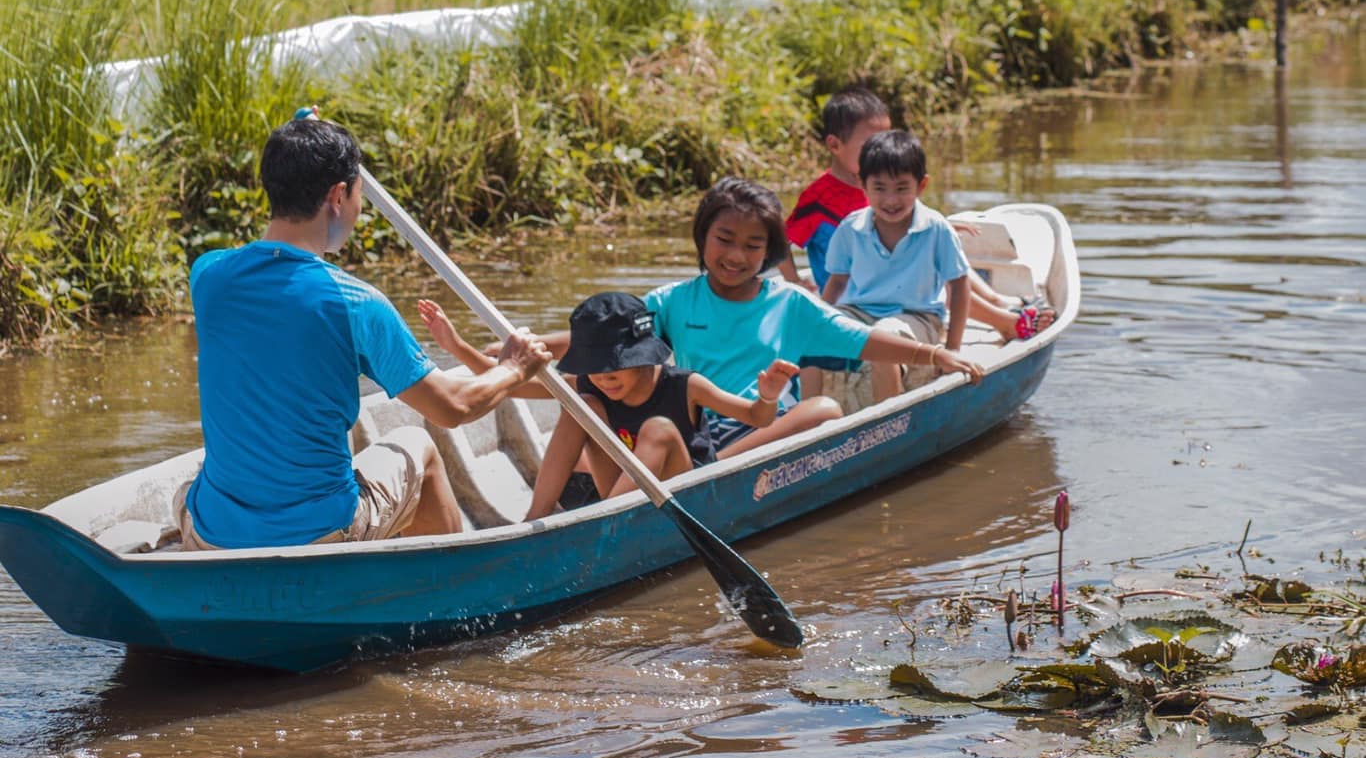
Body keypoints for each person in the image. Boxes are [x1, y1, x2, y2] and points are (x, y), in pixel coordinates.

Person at [176, 114, 551, 551]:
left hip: (214, 535)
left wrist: (311, 139)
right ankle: (449, 595)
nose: (357, 209)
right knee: (417, 445)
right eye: (357, 195)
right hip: (319, 533)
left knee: (194, 485)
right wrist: (513, 368)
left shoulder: (208, 274)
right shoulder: (354, 303)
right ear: (337, 195)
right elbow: (451, 408)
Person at [644, 176, 982, 450]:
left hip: (764, 430)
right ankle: (706, 464)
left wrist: (937, 354)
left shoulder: (789, 303)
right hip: (695, 430)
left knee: (824, 410)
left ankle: (715, 468)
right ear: (703, 236)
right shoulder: (670, 301)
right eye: (725, 239)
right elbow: (616, 341)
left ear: (768, 253)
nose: (736, 256)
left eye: (752, 246)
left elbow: (864, 340)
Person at [419, 290, 805, 519]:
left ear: (644, 356)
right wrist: (455, 346)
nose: (604, 378)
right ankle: (535, 519)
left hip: (688, 493)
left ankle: (605, 523)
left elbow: (758, 417)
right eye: (595, 368)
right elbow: (509, 383)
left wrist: (768, 394)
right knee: (579, 404)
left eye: (614, 368)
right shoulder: (591, 386)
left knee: (659, 429)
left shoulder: (687, 385)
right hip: (624, 496)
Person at [821, 129, 1046, 404]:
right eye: (879, 188)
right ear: (862, 184)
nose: (891, 200)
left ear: (921, 185)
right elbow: (837, 282)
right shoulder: (851, 227)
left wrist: (952, 349)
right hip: (860, 311)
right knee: (819, 336)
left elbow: (959, 287)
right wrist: (819, 319)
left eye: (902, 188)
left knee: (883, 337)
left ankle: (885, 421)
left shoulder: (936, 228)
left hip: (918, 316)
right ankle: (814, 419)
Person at [783, 88, 892, 292]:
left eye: (885, 144)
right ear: (834, 145)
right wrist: (793, 281)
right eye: (870, 147)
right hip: (845, 300)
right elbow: (780, 241)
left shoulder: (884, 185)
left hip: (886, 287)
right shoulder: (818, 198)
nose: (882, 155)